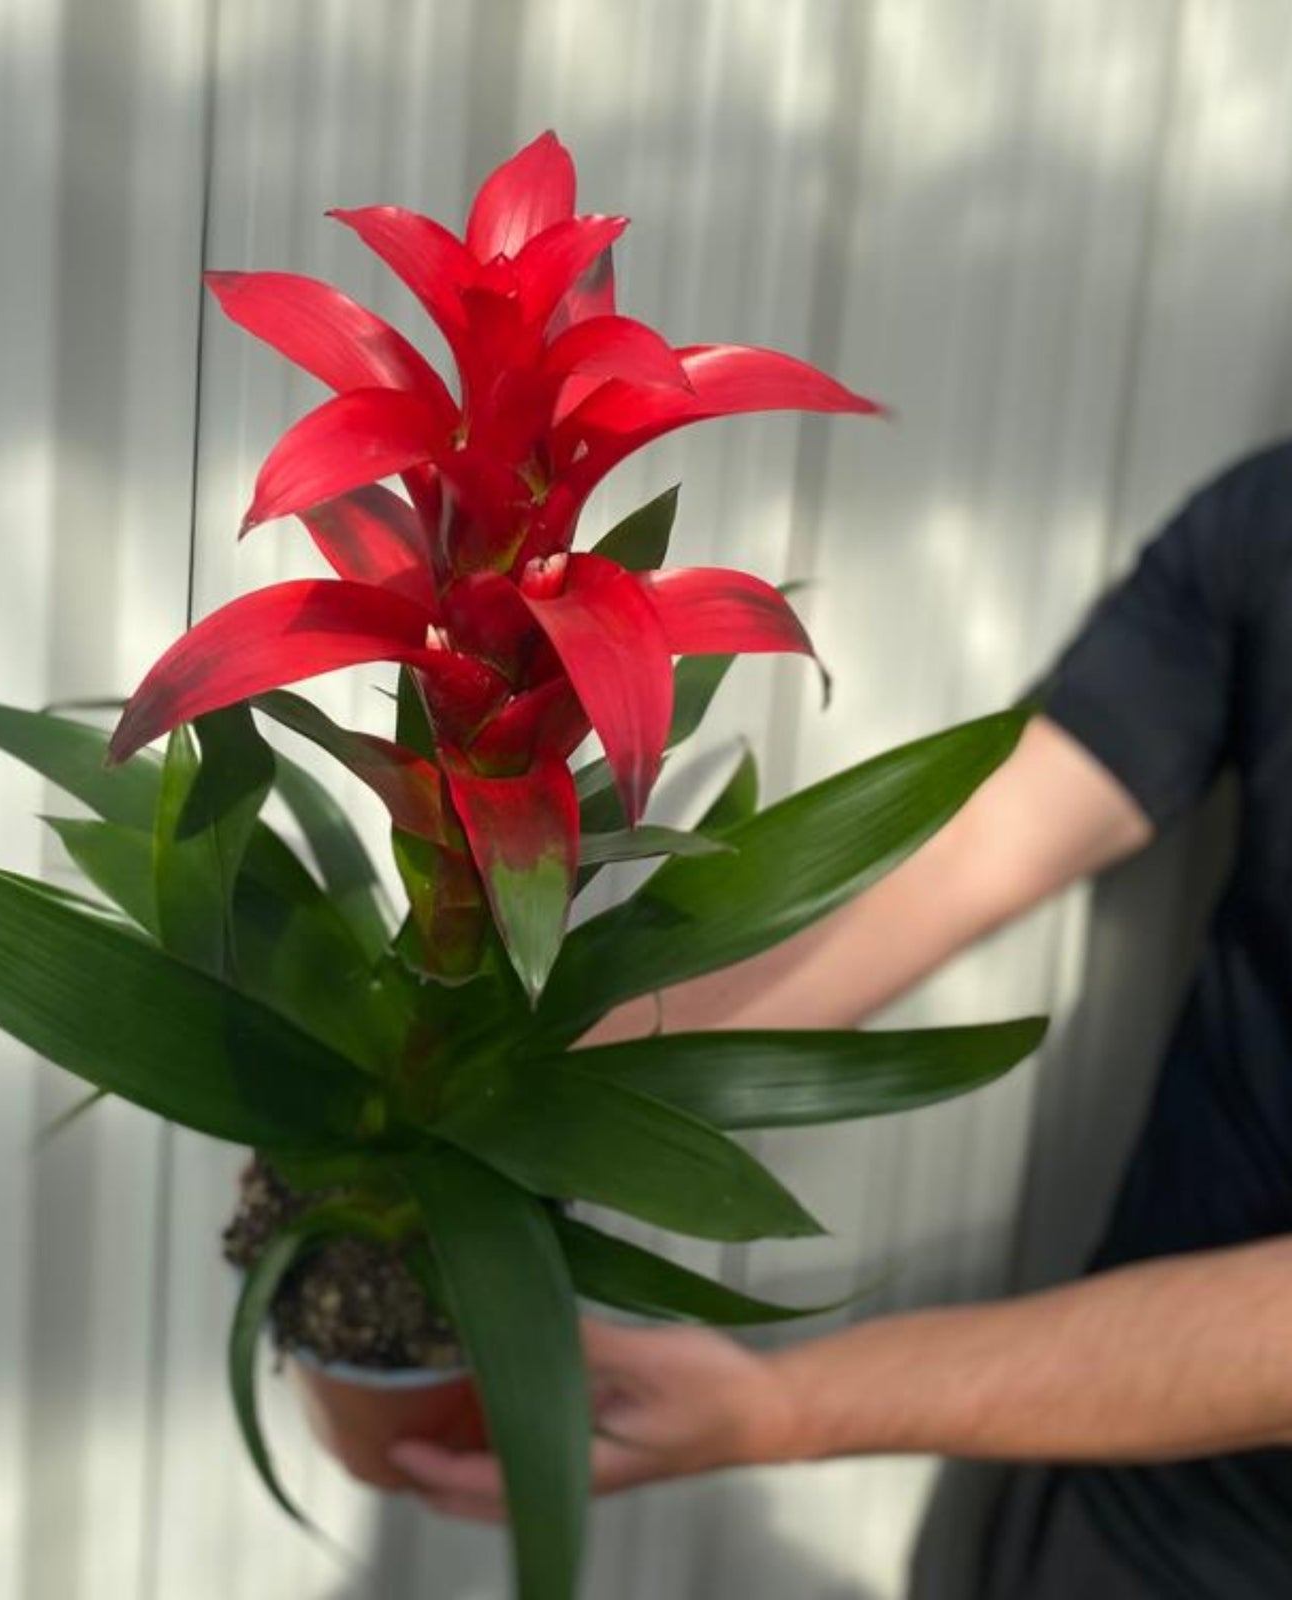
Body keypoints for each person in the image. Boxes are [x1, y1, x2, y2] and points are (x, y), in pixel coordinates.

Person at [391, 441, 1292, 1597]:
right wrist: (467, 1106)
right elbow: (968, 851)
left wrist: (786, 1407)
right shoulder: (1270, 516)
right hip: (1100, 1495)